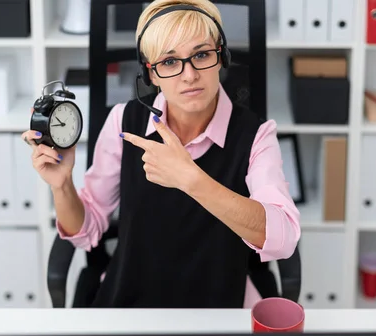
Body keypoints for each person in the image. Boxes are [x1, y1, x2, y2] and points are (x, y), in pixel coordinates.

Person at [21, 0, 301, 308]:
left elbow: (284, 237)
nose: (190, 75)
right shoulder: (122, 123)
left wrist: (190, 179)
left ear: (222, 58)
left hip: (219, 305)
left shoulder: (257, 135)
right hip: (131, 300)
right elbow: (85, 232)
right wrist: (62, 185)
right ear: (150, 74)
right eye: (169, 62)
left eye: (202, 54)